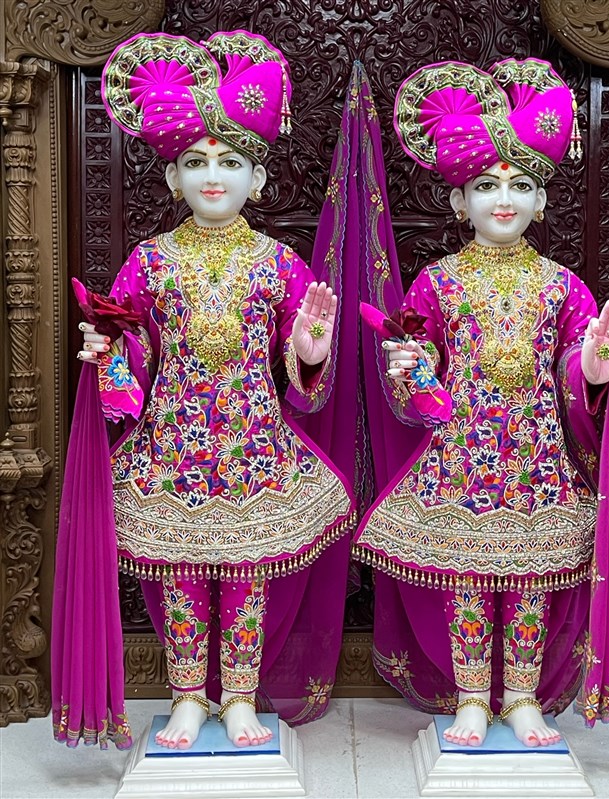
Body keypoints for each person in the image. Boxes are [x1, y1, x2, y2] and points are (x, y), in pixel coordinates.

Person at [54, 30, 353, 752]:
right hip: (172, 447)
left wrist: (307, 354)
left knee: (248, 574)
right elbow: (134, 348)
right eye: (195, 162)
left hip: (254, 447)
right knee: (181, 574)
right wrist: (108, 356)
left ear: (258, 178)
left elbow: (301, 363)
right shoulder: (149, 261)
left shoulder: (279, 263)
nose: (212, 177)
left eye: (229, 162)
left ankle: (241, 696)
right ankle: (188, 695)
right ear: (171, 179)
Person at [354, 57, 609, 748]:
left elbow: (574, 366)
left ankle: (519, 697)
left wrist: (593, 369)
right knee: (467, 582)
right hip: (461, 460)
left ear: (541, 201)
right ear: (460, 202)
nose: (503, 199)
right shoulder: (436, 283)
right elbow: (416, 372)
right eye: (486, 185)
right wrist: (411, 369)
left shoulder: (562, 286)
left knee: (529, 585)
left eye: (520, 185)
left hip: (538, 462)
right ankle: (469, 700)